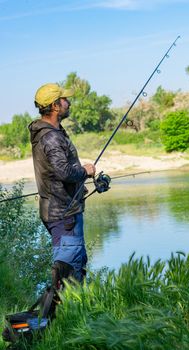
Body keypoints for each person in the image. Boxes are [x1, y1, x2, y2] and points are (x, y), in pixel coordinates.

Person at [29, 83, 96, 286]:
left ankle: (72, 311)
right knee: (68, 272)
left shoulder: (52, 132)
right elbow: (64, 172)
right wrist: (86, 171)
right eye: (65, 99)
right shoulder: (50, 137)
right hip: (63, 214)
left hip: (63, 210)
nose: (69, 102)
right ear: (55, 106)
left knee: (75, 265)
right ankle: (66, 313)